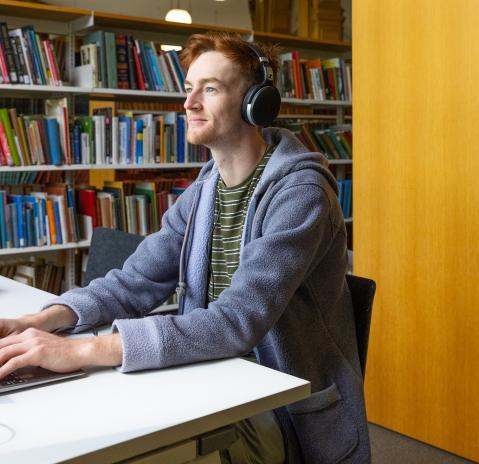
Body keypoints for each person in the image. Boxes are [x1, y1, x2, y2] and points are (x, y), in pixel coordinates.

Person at [0, 31, 370, 463]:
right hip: (209, 379)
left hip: (278, 404)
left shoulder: (301, 192)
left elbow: (237, 321)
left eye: (209, 89)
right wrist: (43, 320)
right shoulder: (205, 189)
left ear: (258, 103)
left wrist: (83, 350)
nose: (188, 103)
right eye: (188, 88)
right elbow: (135, 281)